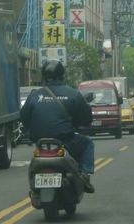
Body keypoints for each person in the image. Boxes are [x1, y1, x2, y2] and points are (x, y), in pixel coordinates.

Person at [20, 60, 95, 193]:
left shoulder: (34, 96)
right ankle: (85, 174)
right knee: (88, 144)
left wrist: (29, 131)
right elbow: (86, 118)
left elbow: (24, 117)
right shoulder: (73, 94)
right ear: (62, 75)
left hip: (40, 143)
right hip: (65, 140)